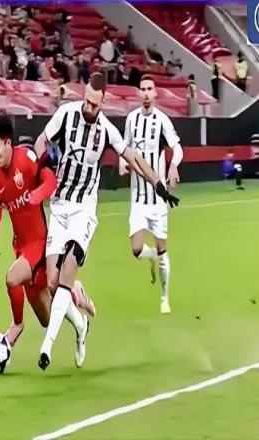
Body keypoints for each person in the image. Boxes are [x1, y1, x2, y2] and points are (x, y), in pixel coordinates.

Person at [33, 72, 180, 370]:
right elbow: (42, 140)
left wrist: (158, 184)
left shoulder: (107, 131)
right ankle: (81, 326)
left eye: (95, 105)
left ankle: (47, 346)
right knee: (52, 283)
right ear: (84, 95)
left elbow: (134, 159)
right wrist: (41, 164)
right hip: (59, 207)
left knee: (67, 274)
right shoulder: (66, 114)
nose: (89, 108)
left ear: (103, 103)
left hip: (84, 210)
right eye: (87, 101)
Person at [0, 115, 95, 355]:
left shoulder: (26, 158)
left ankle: (16, 326)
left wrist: (37, 195)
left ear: (7, 142)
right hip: (20, 247)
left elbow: (51, 181)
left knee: (12, 279)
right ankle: (76, 301)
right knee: (47, 317)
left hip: (39, 244)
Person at [119, 75, 184, 315]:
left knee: (162, 249)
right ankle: (151, 258)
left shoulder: (162, 121)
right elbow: (124, 147)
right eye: (143, 89)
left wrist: (174, 165)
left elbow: (177, 148)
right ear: (139, 93)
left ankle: (165, 297)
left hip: (157, 199)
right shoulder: (131, 119)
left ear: (155, 93)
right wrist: (122, 164)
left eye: (150, 89)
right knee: (136, 249)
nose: (146, 93)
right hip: (138, 198)